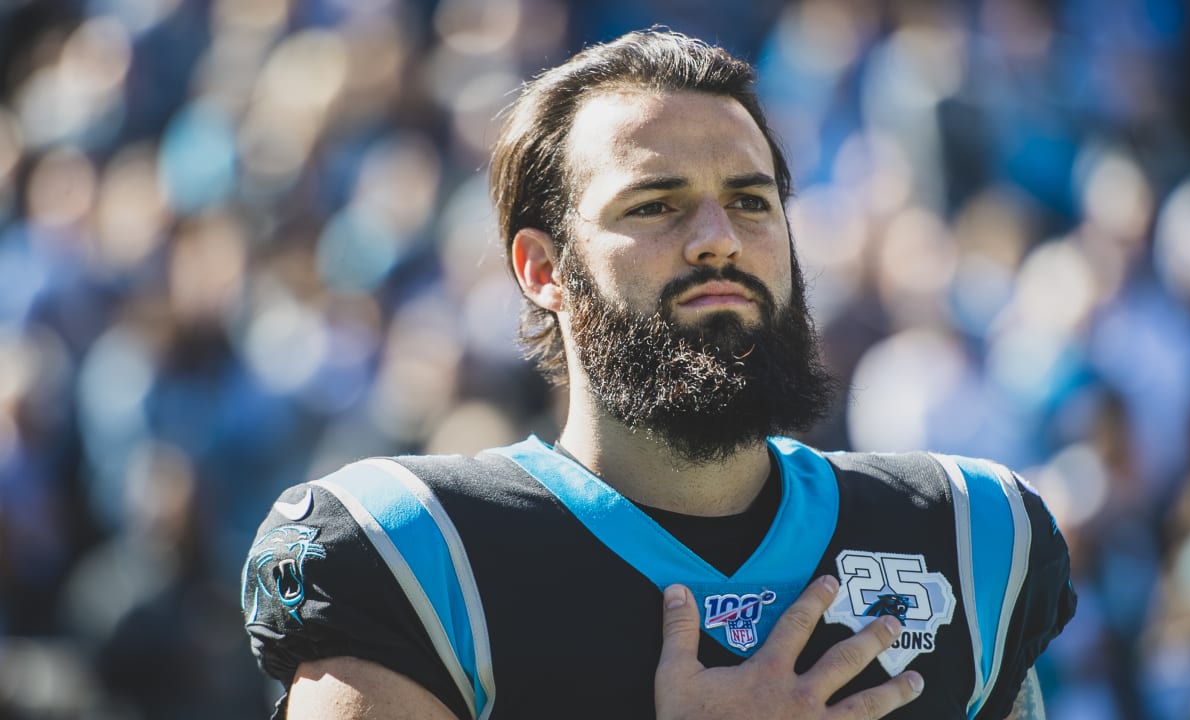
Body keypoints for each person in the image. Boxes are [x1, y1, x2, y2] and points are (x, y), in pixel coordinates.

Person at [241, 29, 1075, 720]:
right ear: (543, 268)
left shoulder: (969, 534)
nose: (718, 237)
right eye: (655, 204)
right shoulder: (414, 549)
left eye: (752, 200)